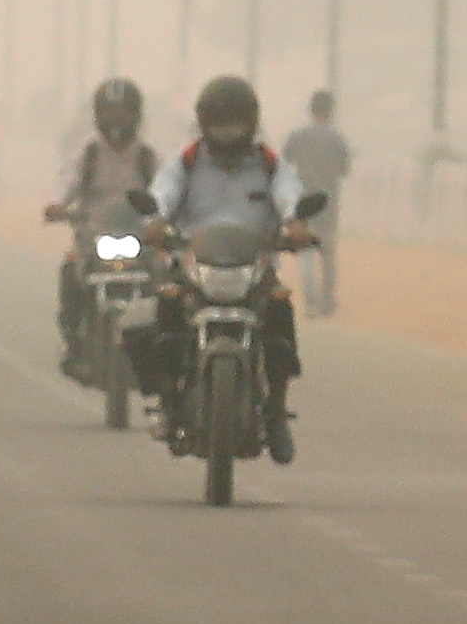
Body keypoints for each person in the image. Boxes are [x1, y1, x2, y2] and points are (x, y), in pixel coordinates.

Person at [148, 75, 313, 462]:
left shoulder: (270, 164)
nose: (228, 133)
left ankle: (275, 413)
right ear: (204, 123)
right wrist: (155, 220)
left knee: (280, 314)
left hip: (254, 267)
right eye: (220, 123)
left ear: (251, 123)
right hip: (194, 265)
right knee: (166, 312)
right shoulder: (185, 163)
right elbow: (162, 193)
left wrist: (296, 223)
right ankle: (169, 402)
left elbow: (290, 194)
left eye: (235, 123)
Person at [43, 79, 162, 383]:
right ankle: (73, 341)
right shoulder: (89, 154)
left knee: (165, 279)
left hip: (138, 239)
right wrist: (57, 205)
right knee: (71, 271)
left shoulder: (148, 158)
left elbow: (166, 193)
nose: (116, 121)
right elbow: (66, 182)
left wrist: (166, 219)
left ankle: (162, 347)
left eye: (122, 114)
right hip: (93, 237)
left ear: (136, 116)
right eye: (109, 113)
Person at [281, 90, 353, 314]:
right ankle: (327, 301)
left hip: (305, 202)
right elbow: (345, 169)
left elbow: (285, 161)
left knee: (306, 253)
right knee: (328, 253)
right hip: (329, 202)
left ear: (311, 110)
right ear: (331, 111)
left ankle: (310, 302)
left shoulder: (298, 136)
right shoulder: (338, 139)